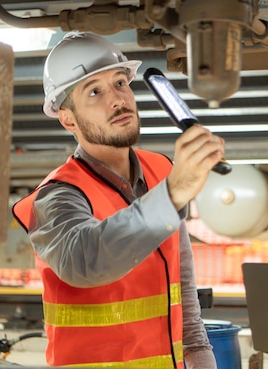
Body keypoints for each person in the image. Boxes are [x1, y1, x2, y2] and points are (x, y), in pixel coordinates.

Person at [12, 31, 221, 368]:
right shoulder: (55, 197)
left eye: (120, 83)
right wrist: (173, 194)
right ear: (68, 119)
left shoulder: (161, 171)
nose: (116, 99)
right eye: (94, 91)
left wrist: (201, 359)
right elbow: (86, 260)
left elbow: (184, 298)